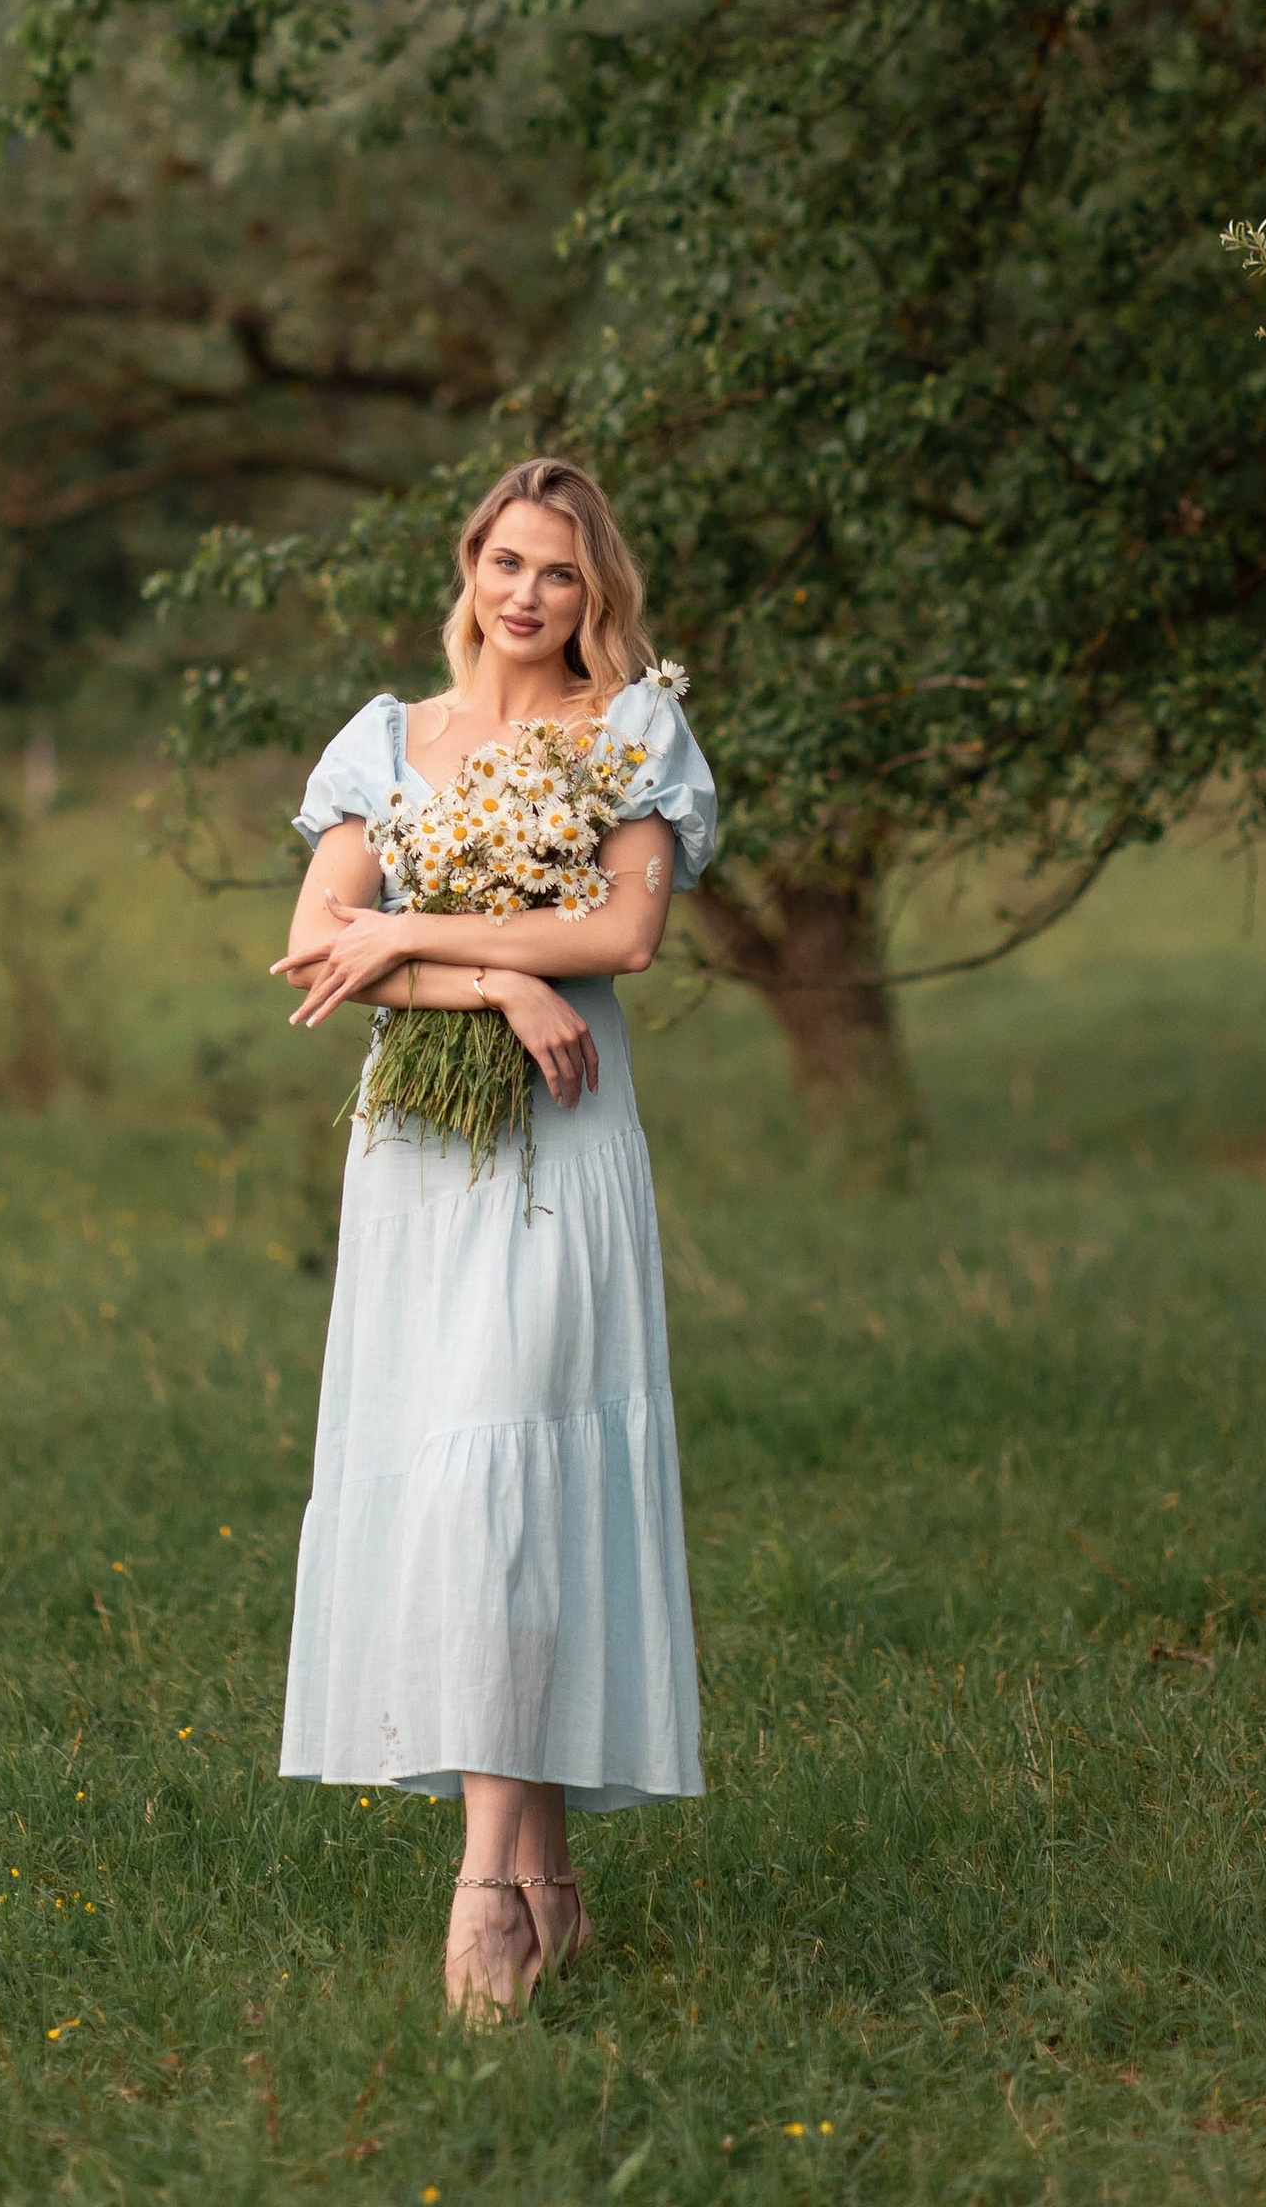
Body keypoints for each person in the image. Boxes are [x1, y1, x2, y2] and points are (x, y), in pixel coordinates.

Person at [272, 455, 720, 2018]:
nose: (529, 595)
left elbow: (626, 935)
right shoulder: (384, 743)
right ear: (467, 567)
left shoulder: (632, 733)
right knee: (457, 1492)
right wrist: (493, 981)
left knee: (518, 1485)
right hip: (421, 1153)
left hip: (566, 1146)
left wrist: (419, 927)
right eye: (507, 563)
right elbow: (318, 953)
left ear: (599, 593)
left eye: (562, 573)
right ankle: (539, 1872)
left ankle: (485, 1893)